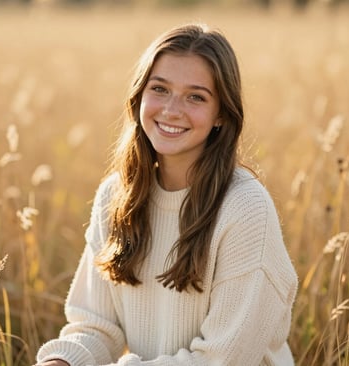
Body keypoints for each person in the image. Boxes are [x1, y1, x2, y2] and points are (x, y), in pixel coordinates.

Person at [35, 23, 298, 366]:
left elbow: (221, 361)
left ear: (221, 114)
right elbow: (97, 327)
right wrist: (61, 362)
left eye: (196, 97)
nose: (172, 110)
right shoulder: (115, 196)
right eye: (159, 89)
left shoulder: (245, 209)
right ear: (140, 95)